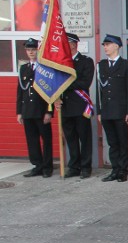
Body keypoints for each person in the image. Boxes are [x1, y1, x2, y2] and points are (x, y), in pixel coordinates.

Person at [97, 34, 128, 182]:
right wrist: (99, 111)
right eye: (104, 45)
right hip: (107, 111)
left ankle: (122, 171)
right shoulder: (101, 65)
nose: (105, 47)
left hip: (120, 111)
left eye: (108, 44)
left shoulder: (126, 65)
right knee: (112, 143)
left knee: (122, 142)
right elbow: (99, 91)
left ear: (116, 46)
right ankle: (114, 170)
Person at [16, 38, 53, 178]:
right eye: (29, 50)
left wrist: (49, 111)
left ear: (38, 50)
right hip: (28, 111)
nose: (31, 52)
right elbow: (20, 91)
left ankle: (47, 167)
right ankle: (38, 165)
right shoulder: (23, 68)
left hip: (41, 110)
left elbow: (51, 91)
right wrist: (19, 112)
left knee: (46, 140)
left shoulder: (45, 68)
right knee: (32, 140)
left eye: (33, 49)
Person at [61, 33, 95, 179]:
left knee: (84, 138)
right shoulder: (62, 62)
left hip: (81, 106)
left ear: (73, 44)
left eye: (66, 43)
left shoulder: (86, 61)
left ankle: (86, 167)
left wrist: (66, 84)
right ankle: (74, 166)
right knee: (71, 139)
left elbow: (84, 82)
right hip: (66, 106)